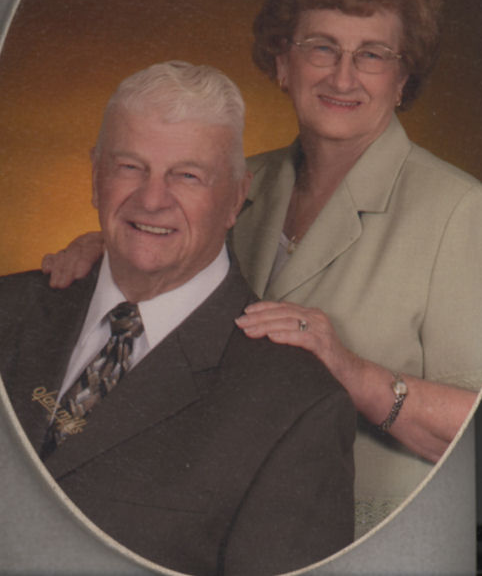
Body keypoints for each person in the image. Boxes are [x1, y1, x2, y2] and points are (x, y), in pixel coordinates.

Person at [42, 0, 482, 536]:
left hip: (365, 536)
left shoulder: (462, 212)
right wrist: (114, 250)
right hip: (208, 529)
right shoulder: (237, 185)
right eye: (321, 47)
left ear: (402, 78)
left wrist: (350, 371)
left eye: (372, 54)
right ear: (283, 63)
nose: (342, 76)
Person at [0, 61, 356, 575]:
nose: (152, 200)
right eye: (130, 167)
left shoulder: (297, 408)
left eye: (187, 176)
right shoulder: (9, 309)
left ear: (236, 196)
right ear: (95, 175)